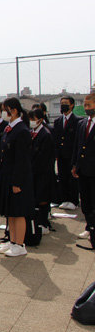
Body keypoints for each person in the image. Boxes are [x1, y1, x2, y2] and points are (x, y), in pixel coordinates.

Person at [0, 97, 34, 257]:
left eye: (6, 109)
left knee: (19, 212)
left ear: (14, 110)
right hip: (7, 176)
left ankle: (20, 244)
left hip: (18, 178)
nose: (4, 113)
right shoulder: (8, 129)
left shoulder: (22, 131)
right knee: (10, 212)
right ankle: (12, 241)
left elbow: (22, 160)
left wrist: (17, 182)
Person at [72, 94, 95, 240]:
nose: (86, 108)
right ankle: (89, 226)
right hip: (82, 169)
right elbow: (77, 146)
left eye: (89, 105)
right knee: (85, 201)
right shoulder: (82, 124)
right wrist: (75, 165)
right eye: (85, 105)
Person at [28, 108, 55, 234]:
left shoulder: (46, 135)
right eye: (30, 119)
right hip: (32, 172)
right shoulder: (30, 132)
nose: (31, 122)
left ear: (40, 120)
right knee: (34, 198)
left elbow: (45, 157)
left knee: (43, 198)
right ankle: (37, 221)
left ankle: (44, 222)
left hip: (43, 172)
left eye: (33, 119)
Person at [53, 96, 81, 210]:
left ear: (72, 105)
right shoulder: (57, 121)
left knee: (72, 178)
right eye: (61, 103)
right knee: (62, 177)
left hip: (72, 155)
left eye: (65, 103)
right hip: (61, 155)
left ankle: (73, 200)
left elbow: (78, 140)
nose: (63, 105)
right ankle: (64, 199)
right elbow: (56, 139)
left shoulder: (78, 121)